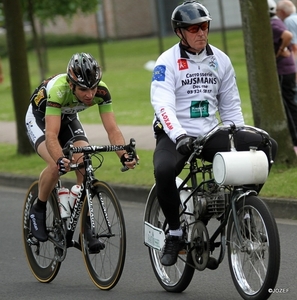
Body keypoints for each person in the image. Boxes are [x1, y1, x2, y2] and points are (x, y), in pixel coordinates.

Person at [150, 0, 277, 267]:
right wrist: (179, 136)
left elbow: (230, 105)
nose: (201, 33)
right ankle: (174, 232)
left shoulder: (221, 60)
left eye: (205, 26)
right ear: (180, 32)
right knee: (163, 171)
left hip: (210, 133)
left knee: (267, 146)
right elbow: (162, 104)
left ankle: (240, 204)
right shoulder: (166, 62)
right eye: (194, 28)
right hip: (175, 135)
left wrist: (238, 137)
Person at [25, 52, 138, 251]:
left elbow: (112, 130)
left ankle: (87, 231)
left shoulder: (102, 92)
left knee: (85, 162)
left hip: (68, 117)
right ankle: (38, 208)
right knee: (55, 165)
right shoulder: (59, 90)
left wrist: (124, 155)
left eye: (93, 88)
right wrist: (60, 158)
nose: (90, 95)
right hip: (41, 118)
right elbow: (52, 135)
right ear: (71, 85)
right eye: (84, 90)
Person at [269, 0, 297, 154]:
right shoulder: (278, 21)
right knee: (290, 103)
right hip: (288, 68)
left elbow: (288, 35)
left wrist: (278, 52)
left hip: (284, 70)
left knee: (287, 105)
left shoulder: (274, 23)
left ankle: (295, 141)